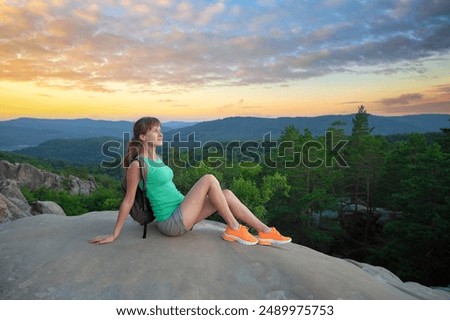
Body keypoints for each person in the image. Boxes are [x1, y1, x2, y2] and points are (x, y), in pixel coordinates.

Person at [90, 117, 291, 246]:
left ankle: (265, 232)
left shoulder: (157, 159)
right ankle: (234, 228)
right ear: (142, 136)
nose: (160, 133)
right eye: (155, 130)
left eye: (160, 129)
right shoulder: (138, 165)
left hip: (182, 210)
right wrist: (114, 234)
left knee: (227, 194)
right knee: (209, 179)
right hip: (170, 222)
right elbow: (128, 200)